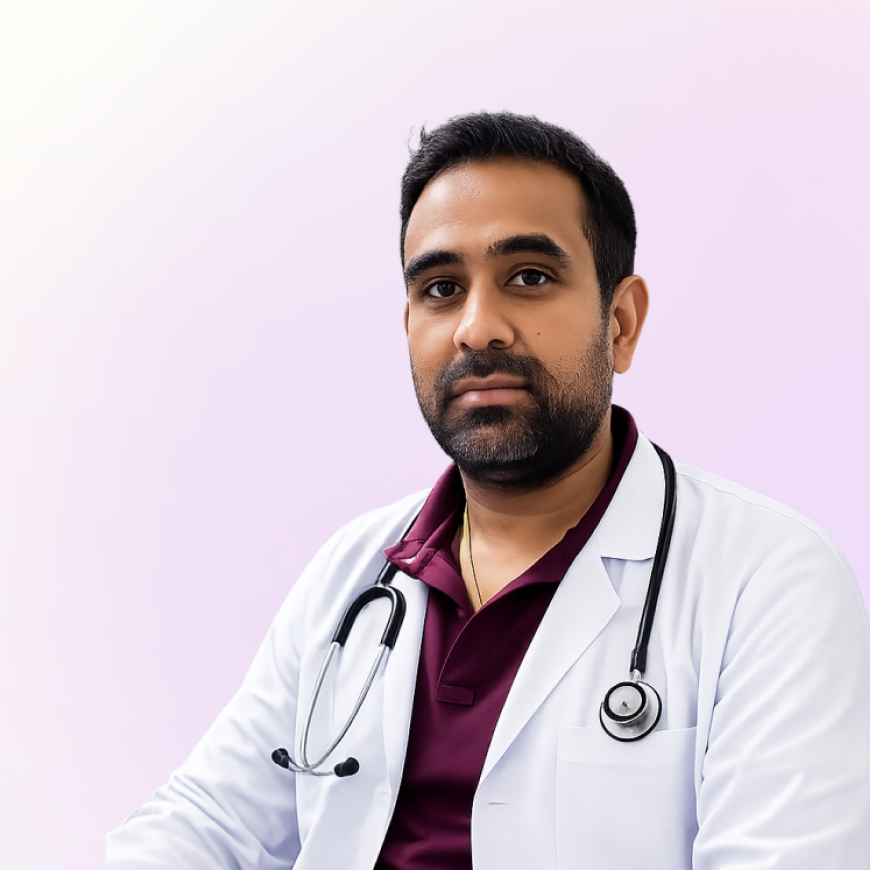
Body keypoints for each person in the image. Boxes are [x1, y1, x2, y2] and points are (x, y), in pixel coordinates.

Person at [107, 112, 870, 869]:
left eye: (529, 277)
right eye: (441, 288)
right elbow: (205, 821)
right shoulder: (355, 571)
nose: (477, 328)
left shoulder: (769, 579)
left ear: (621, 322)